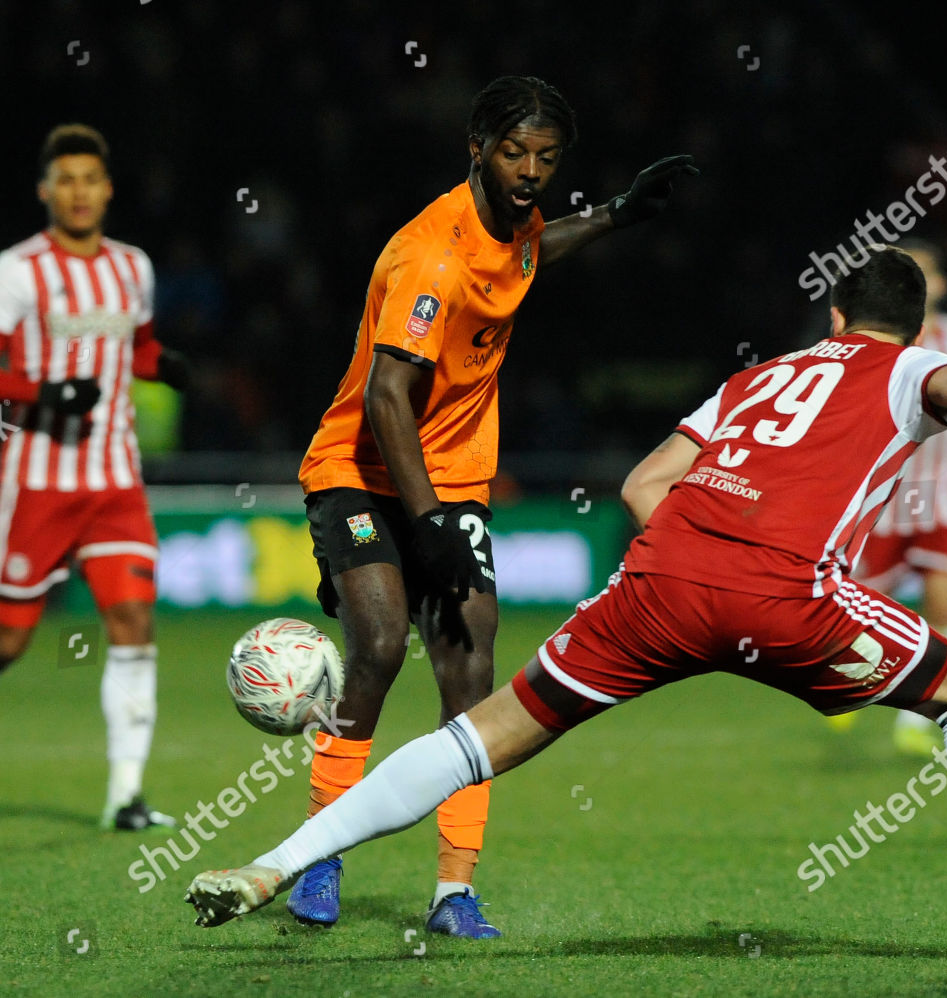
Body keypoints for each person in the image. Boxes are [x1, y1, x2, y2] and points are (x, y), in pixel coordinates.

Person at [186, 245, 947, 969]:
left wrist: (701, 568)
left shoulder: (760, 375)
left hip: (659, 580)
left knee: (483, 733)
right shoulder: (905, 367)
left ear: (831, 311)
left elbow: (645, 485)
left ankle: (274, 862)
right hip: (788, 594)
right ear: (905, 327)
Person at [291, 75, 698, 938]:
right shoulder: (427, 257)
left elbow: (529, 254)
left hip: (455, 476)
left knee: (469, 668)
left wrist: (617, 216)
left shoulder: (513, 227)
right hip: (359, 469)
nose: (531, 172)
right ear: (476, 147)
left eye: (547, 159)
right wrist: (431, 522)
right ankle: (318, 860)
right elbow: (387, 399)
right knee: (375, 645)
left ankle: (453, 891)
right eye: (515, 153)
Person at [0, 124, 188, 829]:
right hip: (39, 484)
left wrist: (165, 366)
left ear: (108, 188)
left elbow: (138, 347)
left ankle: (126, 795)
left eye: (91, 178)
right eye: (66, 179)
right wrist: (45, 393)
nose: (80, 191)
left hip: (116, 483)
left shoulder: (134, 267)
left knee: (132, 620)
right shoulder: (18, 270)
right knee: (9, 643)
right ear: (45, 191)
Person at [837, 240, 947, 756]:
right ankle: (847, 688)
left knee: (943, 600)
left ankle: (915, 723)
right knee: (861, 611)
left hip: (945, 493)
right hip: (883, 496)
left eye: (928, 273)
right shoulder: (874, 343)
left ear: (942, 283)